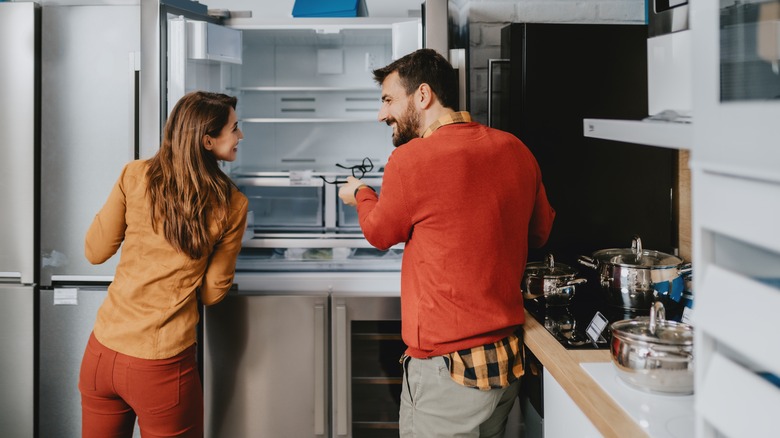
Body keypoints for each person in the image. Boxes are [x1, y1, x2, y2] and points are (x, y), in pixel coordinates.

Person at [338, 48, 556, 437]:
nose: (381, 113)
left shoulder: (411, 160)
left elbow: (379, 233)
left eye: (388, 100)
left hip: (448, 373)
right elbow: (539, 233)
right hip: (507, 362)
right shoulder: (516, 149)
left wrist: (362, 195)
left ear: (422, 96)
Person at [79, 91, 248, 438]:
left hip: (101, 354)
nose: (240, 136)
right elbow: (213, 294)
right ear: (206, 140)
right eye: (234, 128)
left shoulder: (134, 174)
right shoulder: (231, 202)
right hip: (161, 366)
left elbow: (95, 251)